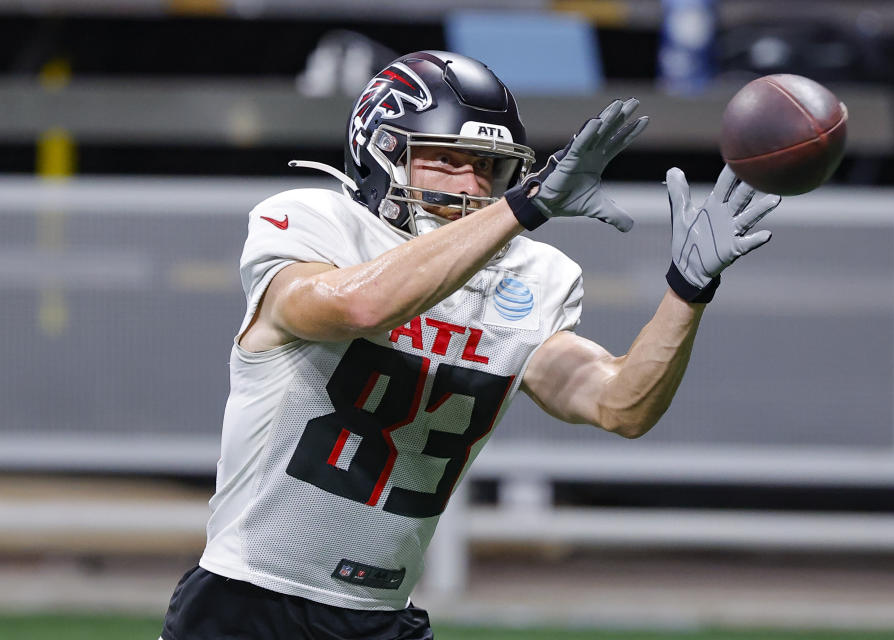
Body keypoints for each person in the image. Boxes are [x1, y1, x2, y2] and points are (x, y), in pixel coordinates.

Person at [160, 50, 780, 640]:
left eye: (489, 167)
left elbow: (622, 403)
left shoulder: (529, 277)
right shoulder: (318, 224)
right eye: (447, 159)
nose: (472, 182)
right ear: (382, 152)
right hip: (247, 602)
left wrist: (686, 292)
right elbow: (357, 305)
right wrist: (523, 205)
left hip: (381, 615)